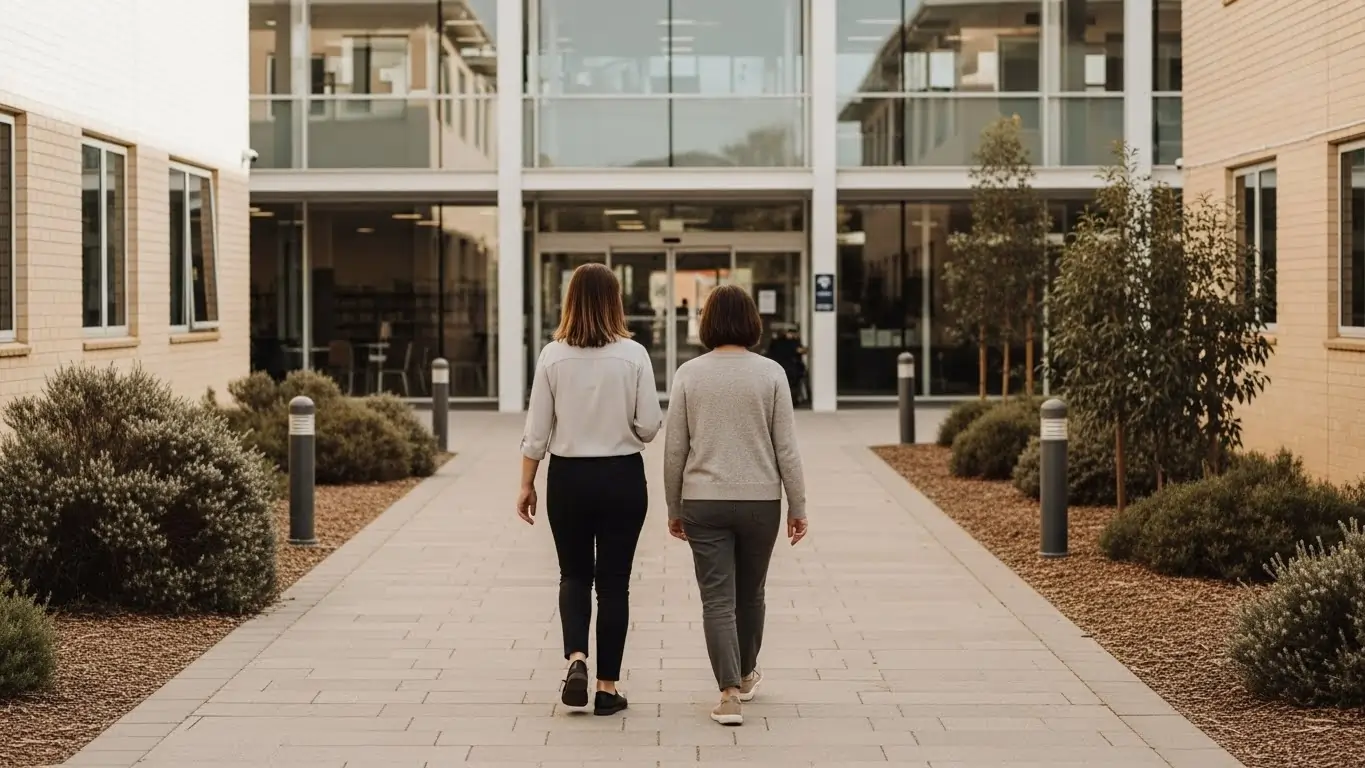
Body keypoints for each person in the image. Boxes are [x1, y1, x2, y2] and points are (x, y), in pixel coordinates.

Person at [518, 263, 663, 716]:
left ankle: (576, 658)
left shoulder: (552, 356)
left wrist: (526, 482)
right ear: (615, 300)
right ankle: (606, 687)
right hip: (621, 475)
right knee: (614, 582)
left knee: (574, 574)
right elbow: (649, 426)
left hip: (568, 476)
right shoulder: (635, 355)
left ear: (570, 300)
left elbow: (536, 431)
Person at [662, 285, 808, 726]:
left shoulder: (689, 374)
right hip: (761, 501)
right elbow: (788, 449)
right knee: (752, 592)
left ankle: (727, 694)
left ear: (707, 323)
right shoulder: (771, 374)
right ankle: (745, 674)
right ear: (752, 322)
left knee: (717, 600)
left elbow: (674, 451)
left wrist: (673, 506)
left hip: (702, 502)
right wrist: (797, 505)